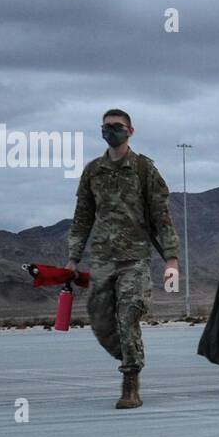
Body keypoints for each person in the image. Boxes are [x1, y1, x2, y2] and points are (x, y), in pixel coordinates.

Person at [65, 108, 180, 410]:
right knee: (101, 320)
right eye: (106, 126)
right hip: (102, 257)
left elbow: (162, 215)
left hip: (134, 257)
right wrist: (73, 257)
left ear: (131, 131)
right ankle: (130, 353)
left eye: (117, 126)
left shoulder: (143, 169)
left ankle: (131, 382)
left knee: (128, 314)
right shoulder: (92, 171)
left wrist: (171, 259)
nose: (111, 130)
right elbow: (82, 218)